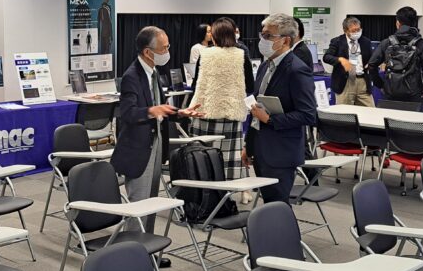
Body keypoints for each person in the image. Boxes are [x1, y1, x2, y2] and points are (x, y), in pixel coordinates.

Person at [112, 26, 202, 242]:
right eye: (164, 48)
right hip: (139, 149)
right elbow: (128, 113)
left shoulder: (153, 73)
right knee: (140, 204)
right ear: (147, 52)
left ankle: (147, 248)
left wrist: (180, 112)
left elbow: (160, 106)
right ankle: (132, 251)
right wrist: (152, 111)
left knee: (152, 201)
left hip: (156, 142)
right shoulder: (132, 76)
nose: (167, 52)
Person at [243, 13, 317, 204]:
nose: (263, 40)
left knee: (278, 206)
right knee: (269, 204)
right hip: (260, 148)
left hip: (281, 152)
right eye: (262, 34)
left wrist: (270, 119)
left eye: (268, 36)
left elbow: (308, 115)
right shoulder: (264, 66)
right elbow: (256, 109)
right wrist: (248, 146)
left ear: (285, 40)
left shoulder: (297, 70)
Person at [188, 18, 250, 180]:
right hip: (231, 114)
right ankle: (229, 190)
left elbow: (196, 84)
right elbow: (250, 85)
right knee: (228, 161)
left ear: (214, 36)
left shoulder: (206, 54)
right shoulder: (241, 55)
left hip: (205, 112)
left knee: (204, 160)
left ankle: (204, 190)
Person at [368, 5, 423, 105]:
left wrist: (381, 85)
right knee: (411, 116)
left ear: (398, 23)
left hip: (390, 93)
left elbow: (371, 65)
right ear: (414, 23)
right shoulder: (421, 44)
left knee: (389, 115)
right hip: (413, 95)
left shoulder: (387, 43)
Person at [323, 16, 374, 106]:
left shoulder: (366, 42)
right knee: (344, 112)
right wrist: (340, 59)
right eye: (353, 30)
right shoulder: (337, 41)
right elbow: (326, 57)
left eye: (358, 29)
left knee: (371, 110)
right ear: (345, 30)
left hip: (362, 82)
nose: (357, 32)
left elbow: (371, 58)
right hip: (345, 82)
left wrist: (371, 64)